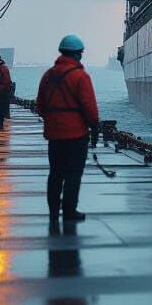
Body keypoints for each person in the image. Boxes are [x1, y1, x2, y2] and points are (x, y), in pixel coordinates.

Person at [35, 34, 100, 223]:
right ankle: (69, 212)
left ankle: (53, 211)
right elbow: (89, 107)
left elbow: (40, 105)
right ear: (78, 54)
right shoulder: (80, 76)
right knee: (73, 173)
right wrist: (93, 124)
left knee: (55, 173)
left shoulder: (48, 75)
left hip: (54, 135)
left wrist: (54, 120)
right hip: (76, 135)